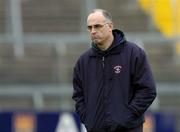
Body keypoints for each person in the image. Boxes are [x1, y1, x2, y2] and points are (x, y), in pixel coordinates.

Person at [72, 9, 156, 132]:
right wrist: (89, 119)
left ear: (110, 26)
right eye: (89, 28)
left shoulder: (133, 54)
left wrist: (126, 116)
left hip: (128, 129)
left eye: (97, 26)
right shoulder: (83, 61)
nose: (93, 31)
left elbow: (148, 90)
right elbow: (79, 96)